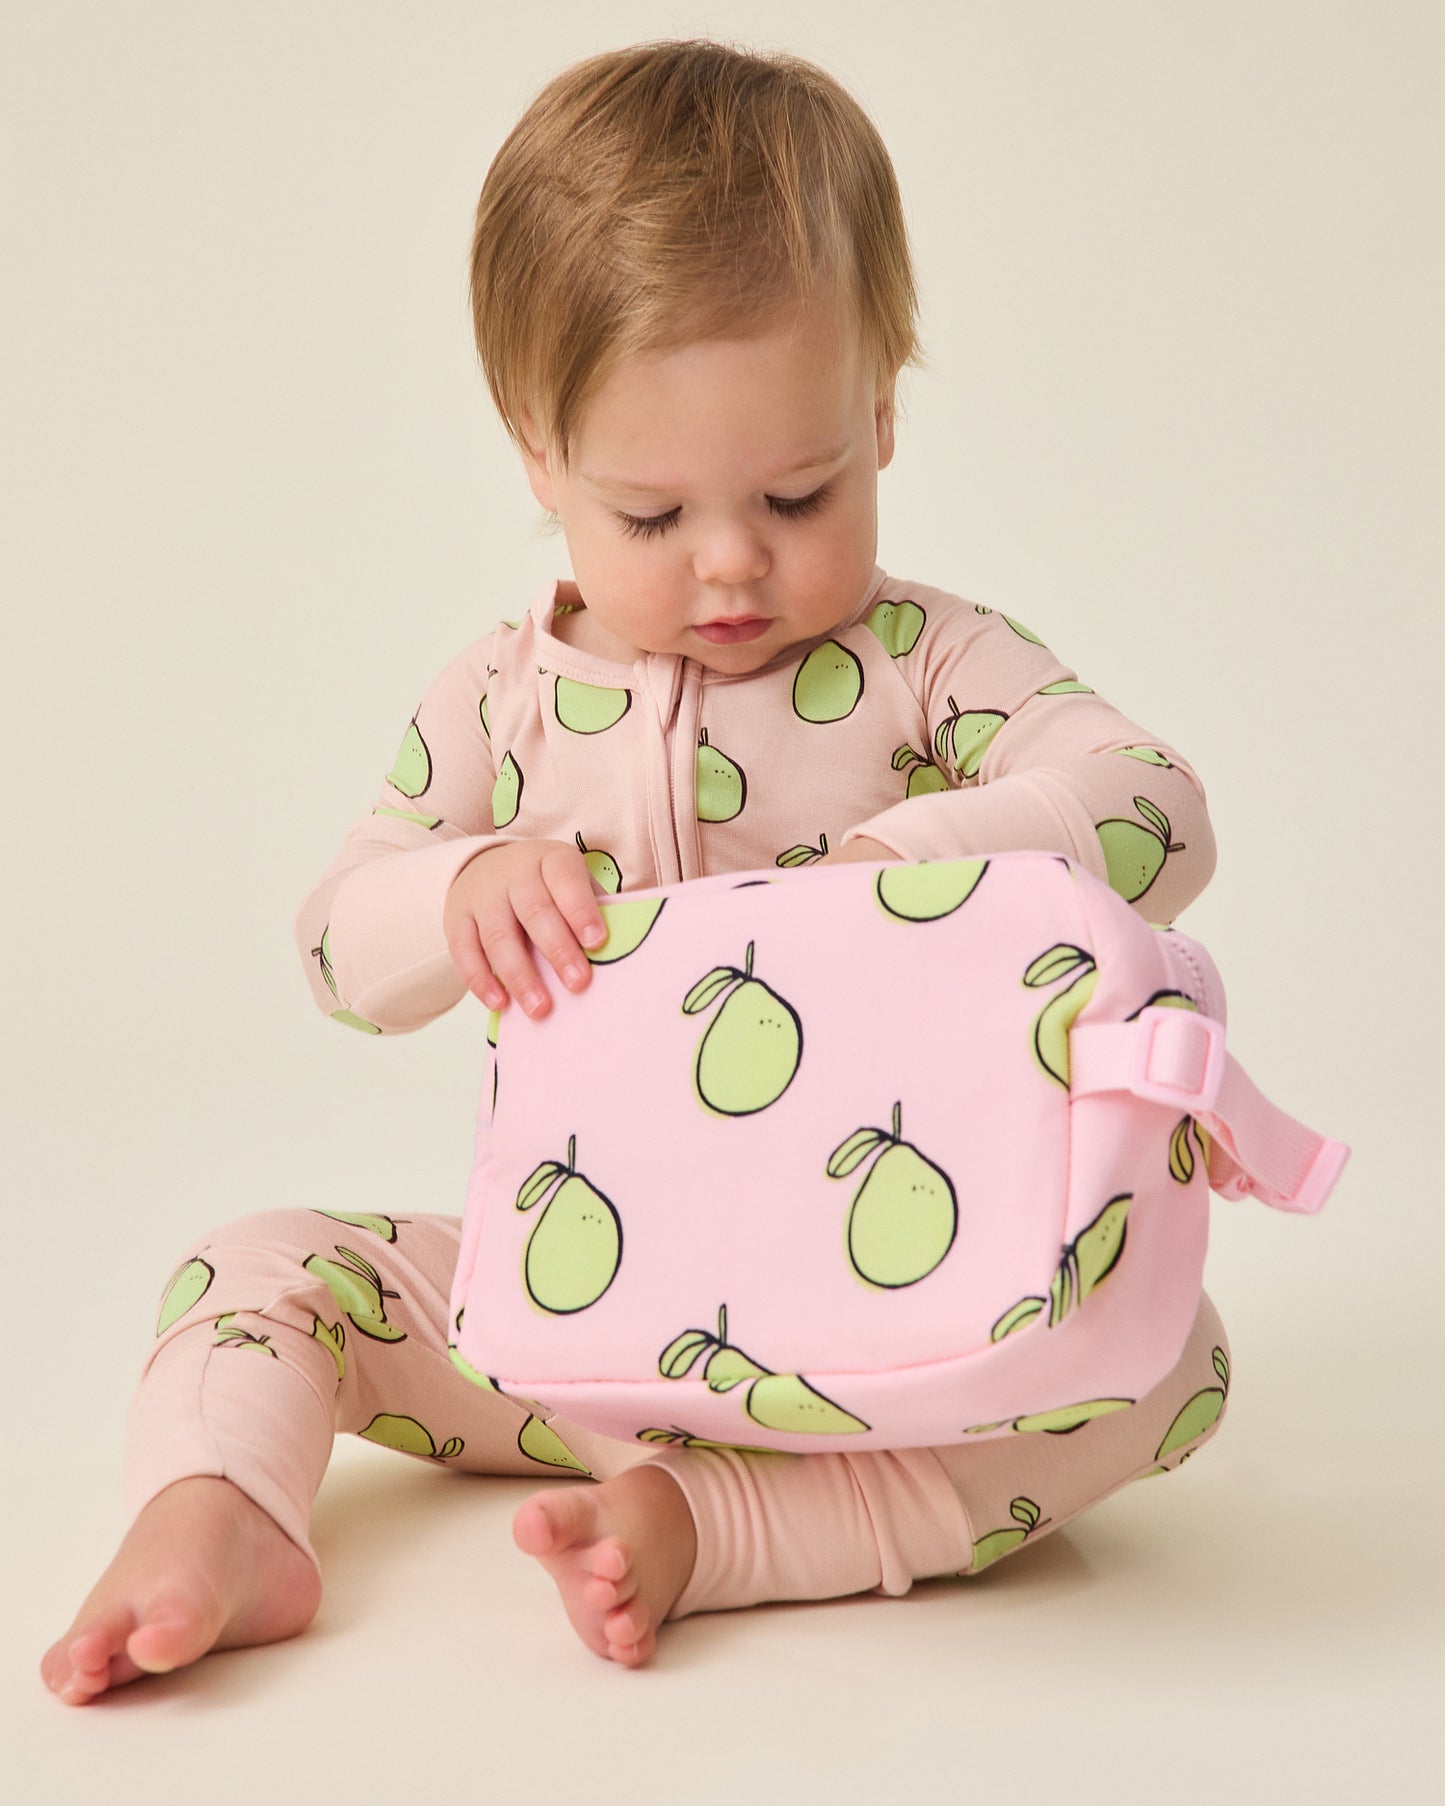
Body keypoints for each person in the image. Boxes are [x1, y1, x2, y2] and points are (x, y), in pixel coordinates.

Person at [42, 38, 1230, 1702]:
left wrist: (906, 866)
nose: (734, 559)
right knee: (258, 1260)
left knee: (1162, 1364)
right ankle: (216, 1512)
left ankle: (712, 1527)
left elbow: (1156, 802)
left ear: (880, 404)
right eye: (652, 514)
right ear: (538, 455)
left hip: (899, 1320)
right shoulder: (498, 698)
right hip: (572, 1313)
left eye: (800, 490)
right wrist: (455, 891)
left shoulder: (925, 664)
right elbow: (333, 945)